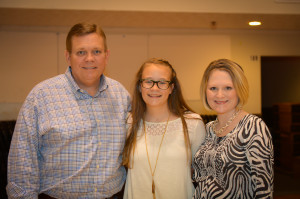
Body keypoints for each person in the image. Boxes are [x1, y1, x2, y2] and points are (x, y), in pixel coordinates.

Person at [6, 23, 131, 199]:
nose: (89, 58)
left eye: (96, 51)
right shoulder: (41, 97)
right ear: (68, 57)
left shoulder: (121, 95)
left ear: (106, 55)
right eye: (81, 52)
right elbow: (22, 166)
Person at [122, 58, 206, 199]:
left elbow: (201, 174)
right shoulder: (128, 123)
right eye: (148, 81)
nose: (154, 88)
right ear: (140, 86)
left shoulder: (193, 124)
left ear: (171, 88)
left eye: (162, 82)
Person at [193, 59, 274, 198]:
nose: (219, 95)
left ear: (239, 89)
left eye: (228, 88)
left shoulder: (253, 126)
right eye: (213, 88)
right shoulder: (208, 129)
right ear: (205, 91)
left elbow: (264, 190)